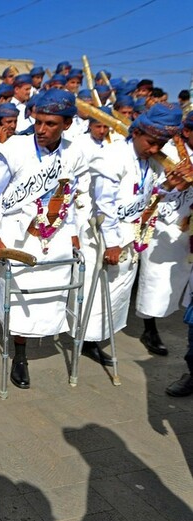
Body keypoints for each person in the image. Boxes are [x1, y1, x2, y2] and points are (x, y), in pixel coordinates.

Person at [0, 89, 88, 389]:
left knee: (50, 298)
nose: (41, 129)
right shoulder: (15, 149)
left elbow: (73, 198)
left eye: (50, 123)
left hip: (58, 236)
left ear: (66, 124)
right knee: (21, 300)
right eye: (38, 121)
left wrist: (75, 233)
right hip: (20, 237)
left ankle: (42, 338)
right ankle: (20, 355)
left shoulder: (75, 153)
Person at [78, 103, 184, 367]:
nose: (155, 149)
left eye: (161, 143)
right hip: (104, 236)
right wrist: (112, 244)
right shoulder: (112, 156)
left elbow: (150, 196)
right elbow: (105, 206)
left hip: (132, 235)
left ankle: (98, 338)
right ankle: (86, 340)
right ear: (136, 133)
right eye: (151, 142)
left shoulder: (151, 161)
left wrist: (168, 186)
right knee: (98, 289)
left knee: (117, 293)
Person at [133, 109, 193, 356]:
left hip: (186, 225)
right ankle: (150, 329)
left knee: (183, 280)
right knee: (155, 281)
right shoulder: (162, 154)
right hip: (161, 224)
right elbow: (151, 189)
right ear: (187, 132)